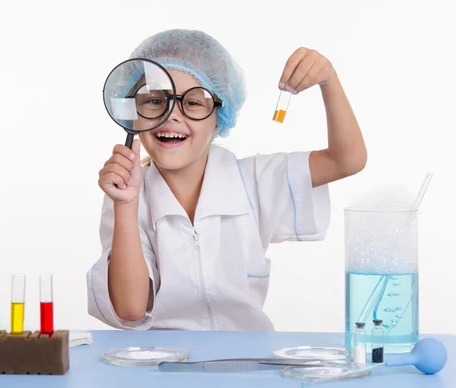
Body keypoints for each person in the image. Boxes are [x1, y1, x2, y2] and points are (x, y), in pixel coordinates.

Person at [87, 29, 367, 331]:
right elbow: (130, 310)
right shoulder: (125, 195)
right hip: (166, 364)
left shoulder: (255, 180)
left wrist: (329, 79)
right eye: (155, 101)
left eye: (193, 103)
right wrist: (126, 205)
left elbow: (347, 159)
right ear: (132, 113)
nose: (171, 116)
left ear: (220, 118)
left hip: (246, 361)